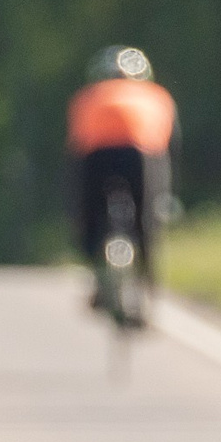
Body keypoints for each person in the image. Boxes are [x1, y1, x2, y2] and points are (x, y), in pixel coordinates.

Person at [67, 46, 177, 293]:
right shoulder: (157, 95)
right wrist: (164, 195)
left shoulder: (89, 96)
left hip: (97, 157)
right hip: (141, 155)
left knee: (88, 210)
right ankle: (149, 275)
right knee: (148, 216)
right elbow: (169, 146)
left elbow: (76, 146)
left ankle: (94, 264)